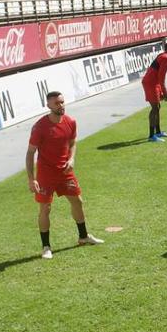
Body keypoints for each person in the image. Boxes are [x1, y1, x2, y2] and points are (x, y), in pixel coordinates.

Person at [25, 92, 103, 259]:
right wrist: (32, 178)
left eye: (62, 102)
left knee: (78, 201)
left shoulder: (70, 122)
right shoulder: (40, 127)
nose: (61, 105)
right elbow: (30, 153)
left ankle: (83, 237)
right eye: (56, 103)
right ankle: (46, 247)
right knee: (45, 208)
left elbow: (72, 142)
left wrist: (72, 158)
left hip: (65, 172)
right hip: (46, 174)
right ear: (48, 106)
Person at [142, 41, 167, 143]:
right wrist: (165, 92)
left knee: (157, 107)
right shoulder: (166, 58)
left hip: (153, 82)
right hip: (150, 83)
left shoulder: (164, 56)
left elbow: (159, 77)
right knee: (154, 108)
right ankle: (151, 136)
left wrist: (161, 90)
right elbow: (161, 77)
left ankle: (158, 132)